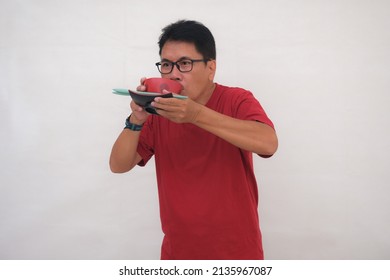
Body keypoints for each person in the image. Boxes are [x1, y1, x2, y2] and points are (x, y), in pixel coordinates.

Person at [110, 20, 278, 260]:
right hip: (178, 255)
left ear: (211, 68)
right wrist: (137, 118)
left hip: (237, 253)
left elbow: (268, 142)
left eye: (185, 64)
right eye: (166, 65)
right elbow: (118, 165)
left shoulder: (236, 99)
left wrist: (196, 114)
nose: (173, 74)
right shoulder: (159, 112)